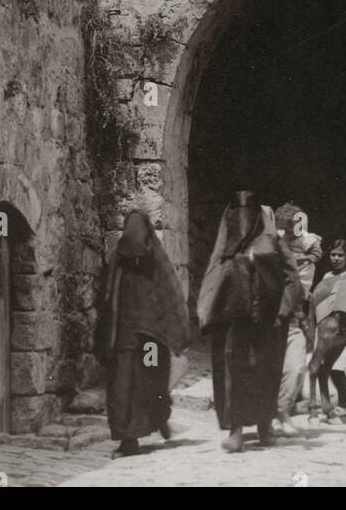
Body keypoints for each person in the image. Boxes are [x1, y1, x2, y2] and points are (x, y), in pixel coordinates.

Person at [197, 190, 304, 452]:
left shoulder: (273, 243)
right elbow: (212, 280)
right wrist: (208, 313)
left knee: (266, 371)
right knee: (237, 372)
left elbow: (292, 279)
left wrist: (283, 309)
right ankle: (236, 431)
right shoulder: (225, 246)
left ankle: (264, 427)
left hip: (269, 321)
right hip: (235, 322)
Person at [97, 207, 189, 457]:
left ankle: (148, 424)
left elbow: (168, 298)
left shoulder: (143, 261)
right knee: (131, 387)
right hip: (133, 338)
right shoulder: (128, 259)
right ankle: (133, 436)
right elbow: (108, 296)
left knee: (139, 385)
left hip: (143, 338)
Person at [272, 203, 323, 435]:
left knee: (296, 364)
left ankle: (284, 406)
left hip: (299, 298)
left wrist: (298, 262)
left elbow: (317, 254)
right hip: (279, 305)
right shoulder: (275, 242)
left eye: (291, 228)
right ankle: (277, 411)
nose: (288, 233)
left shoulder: (305, 239)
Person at [310, 239, 346, 412]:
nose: (336, 258)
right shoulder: (326, 277)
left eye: (340, 255)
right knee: (328, 365)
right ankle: (334, 401)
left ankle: (342, 401)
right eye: (333, 255)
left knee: (339, 366)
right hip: (328, 323)